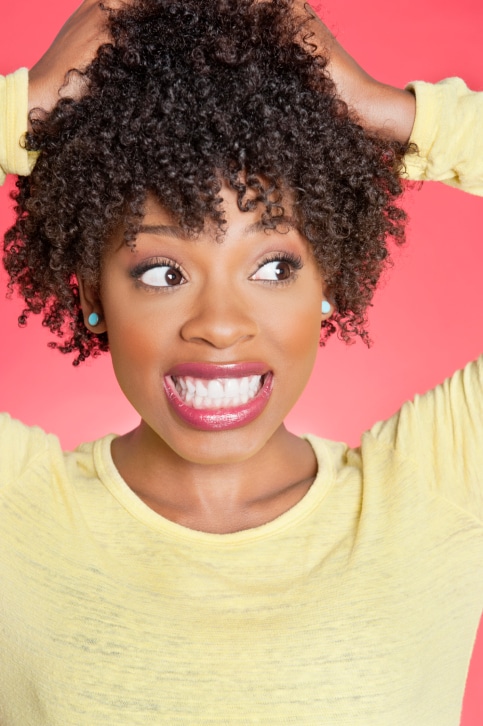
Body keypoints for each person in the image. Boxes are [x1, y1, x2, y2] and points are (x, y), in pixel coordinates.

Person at [0, 0, 482, 724]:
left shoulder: (440, 488)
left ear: (329, 282)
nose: (220, 326)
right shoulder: (18, 513)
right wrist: (30, 105)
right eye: (162, 272)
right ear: (93, 295)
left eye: (274, 266)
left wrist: (383, 112)